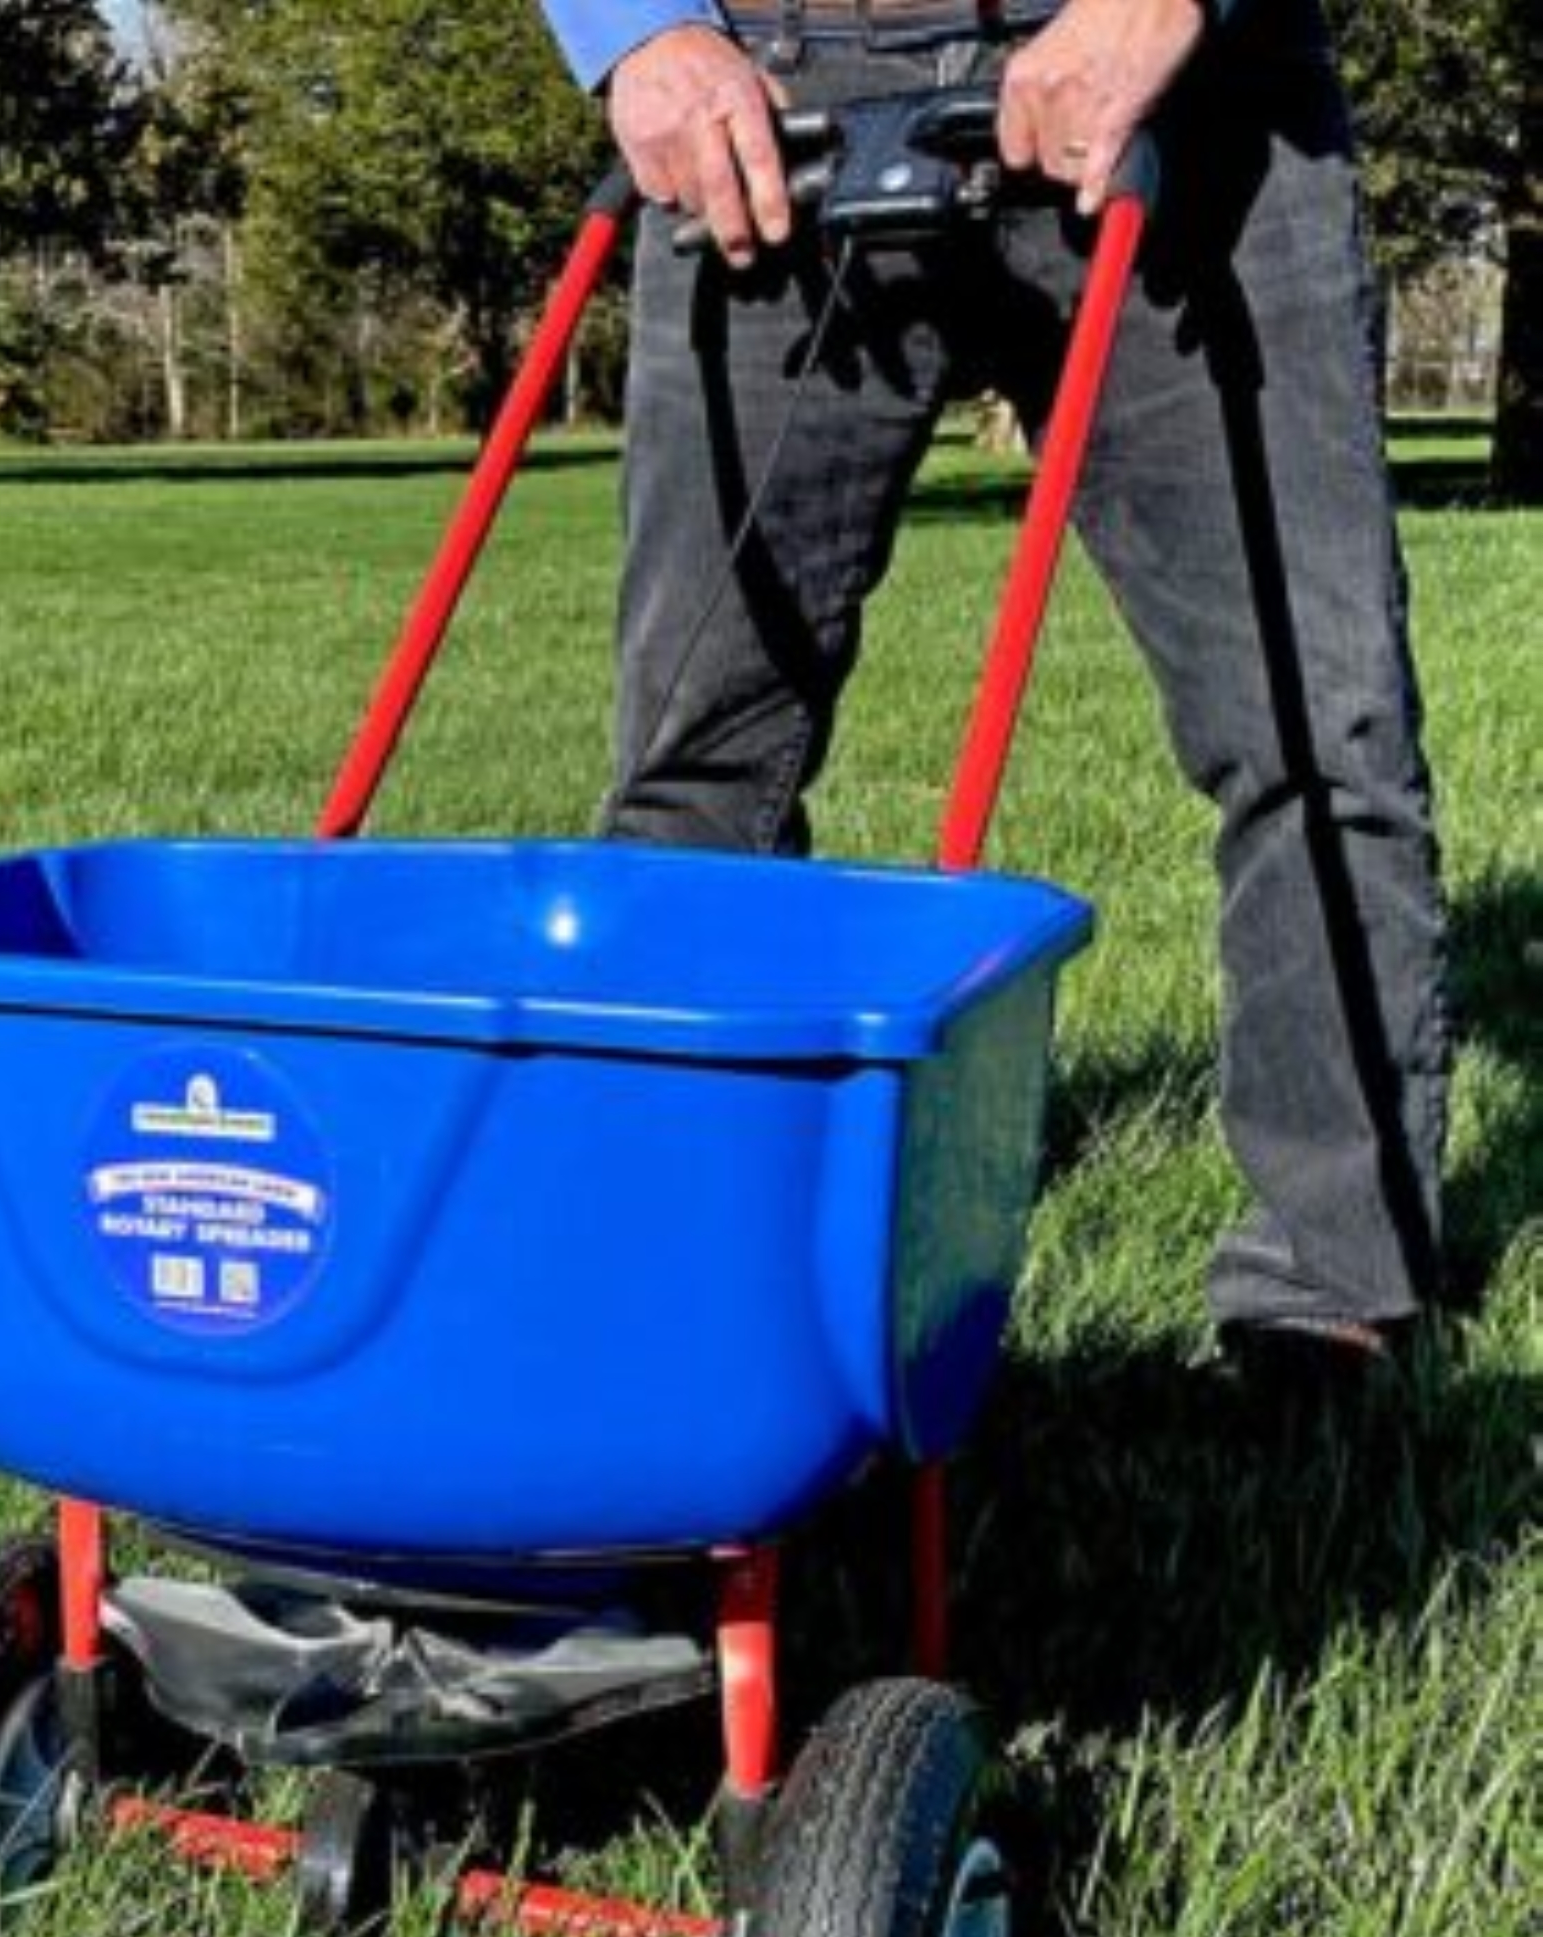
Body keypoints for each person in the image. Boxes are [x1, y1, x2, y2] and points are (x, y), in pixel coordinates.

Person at [536, 0, 1448, 1371]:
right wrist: (636, 32)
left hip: (1185, 88)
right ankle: (677, 1281)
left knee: (1315, 729)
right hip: (766, 100)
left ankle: (1331, 1305)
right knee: (694, 769)